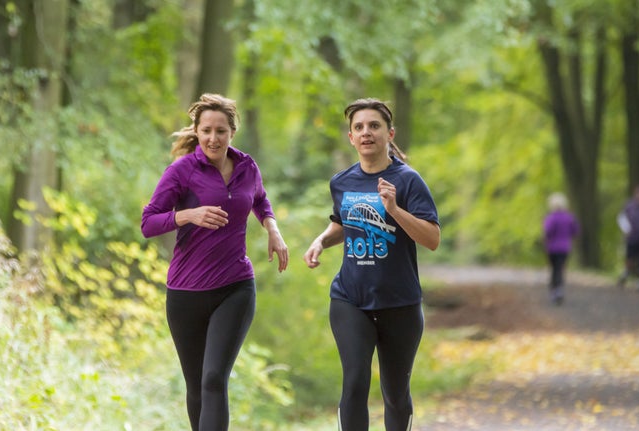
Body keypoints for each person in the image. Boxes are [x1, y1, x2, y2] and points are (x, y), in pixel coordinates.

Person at [141, 93, 289, 431]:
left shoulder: (247, 166)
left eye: (220, 131)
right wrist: (187, 214)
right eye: (206, 130)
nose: (213, 138)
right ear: (196, 130)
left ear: (232, 132)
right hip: (185, 292)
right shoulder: (182, 170)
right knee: (196, 386)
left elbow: (261, 200)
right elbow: (149, 222)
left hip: (235, 287)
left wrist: (273, 228)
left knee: (213, 379)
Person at [303, 98, 440, 430]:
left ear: (389, 134)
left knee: (394, 394)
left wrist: (394, 210)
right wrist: (321, 240)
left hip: (400, 303)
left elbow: (432, 238)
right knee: (354, 383)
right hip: (350, 298)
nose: (367, 133)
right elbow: (343, 223)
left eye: (374, 126)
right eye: (359, 127)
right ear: (351, 137)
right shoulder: (341, 182)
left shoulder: (408, 181)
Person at [542, 192, 580, 305]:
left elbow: (547, 232)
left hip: (552, 247)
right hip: (565, 247)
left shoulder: (550, 218)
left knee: (554, 269)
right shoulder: (570, 217)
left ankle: (555, 290)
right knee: (560, 268)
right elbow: (576, 231)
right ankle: (558, 289)